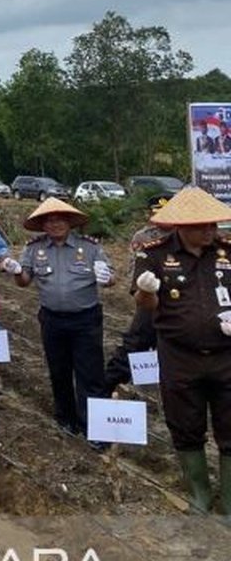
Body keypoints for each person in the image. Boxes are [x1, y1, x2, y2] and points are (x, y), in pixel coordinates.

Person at [132, 187, 231, 513]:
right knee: (185, 424)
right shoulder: (154, 254)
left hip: (226, 355)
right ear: (182, 226)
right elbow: (147, 303)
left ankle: (230, 499)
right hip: (179, 356)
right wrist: (146, 292)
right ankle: (199, 493)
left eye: (213, 225)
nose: (211, 231)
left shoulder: (227, 252)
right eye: (203, 226)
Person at [4, 198, 112, 449]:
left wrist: (107, 278)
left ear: (70, 222)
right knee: (59, 371)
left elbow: (110, 277)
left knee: (90, 374)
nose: (55, 224)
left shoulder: (90, 247)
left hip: (86, 319)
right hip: (52, 319)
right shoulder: (34, 248)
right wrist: (17, 271)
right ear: (43, 225)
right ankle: (66, 420)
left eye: (60, 219)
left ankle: (95, 428)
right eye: (49, 221)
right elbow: (25, 281)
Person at [103, 193, 172, 394]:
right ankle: (106, 387)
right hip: (152, 301)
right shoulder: (143, 238)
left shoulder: (187, 235)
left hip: (182, 303)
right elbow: (136, 272)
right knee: (134, 345)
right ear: (151, 215)